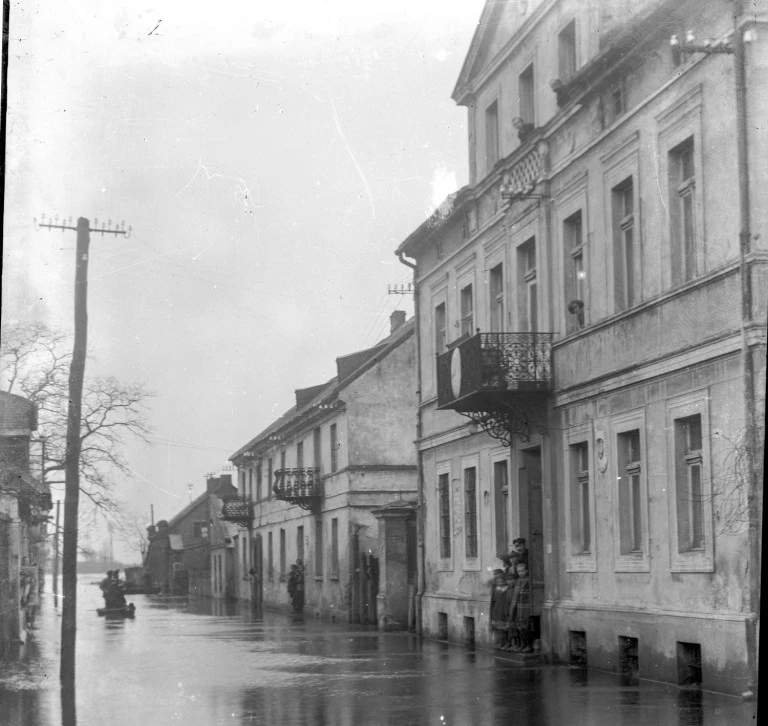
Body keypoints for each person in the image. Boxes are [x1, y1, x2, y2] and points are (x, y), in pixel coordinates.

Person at [509, 561, 532, 653]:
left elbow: (521, 594)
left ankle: (528, 645)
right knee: (519, 628)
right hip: (519, 607)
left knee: (526, 628)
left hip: (525, 607)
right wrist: (513, 608)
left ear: (526, 571)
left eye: (522, 570)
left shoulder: (528, 580)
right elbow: (516, 595)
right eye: (519, 571)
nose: (521, 572)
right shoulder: (518, 581)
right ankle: (522, 645)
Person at [489, 569, 511, 650]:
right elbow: (493, 600)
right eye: (495, 575)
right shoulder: (495, 587)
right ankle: (500, 642)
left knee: (505, 628)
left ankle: (506, 643)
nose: (496, 577)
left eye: (497, 575)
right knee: (498, 628)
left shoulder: (507, 587)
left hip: (504, 610)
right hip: (497, 610)